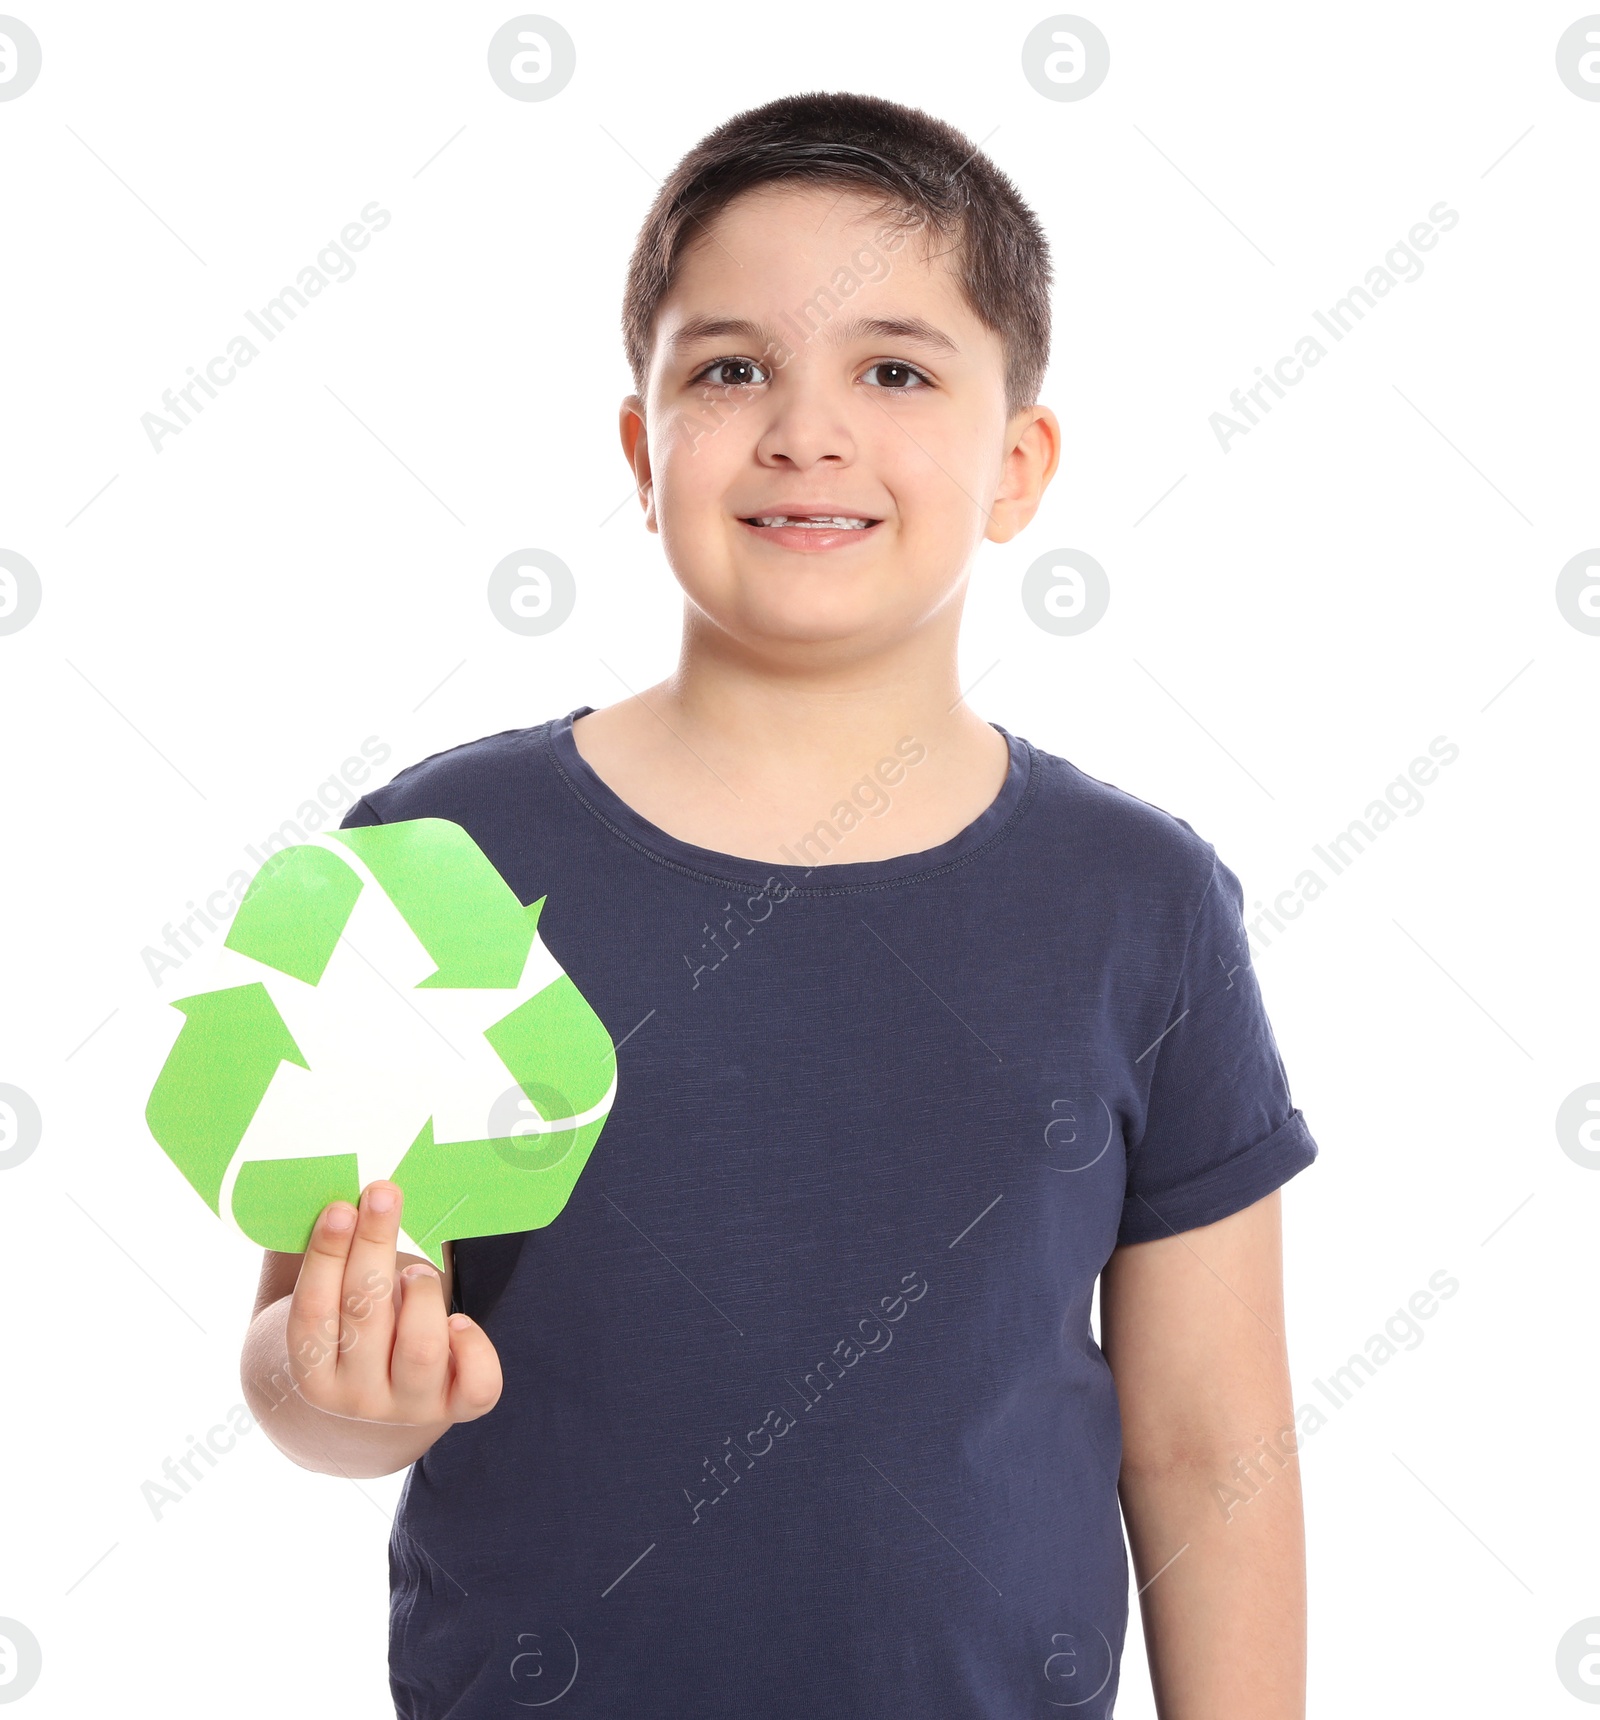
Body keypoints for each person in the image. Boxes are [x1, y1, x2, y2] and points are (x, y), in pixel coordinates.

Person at [241, 90, 1318, 1718]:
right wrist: (355, 1401)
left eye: (893, 369)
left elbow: (1208, 1445)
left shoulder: (1140, 899)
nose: (805, 429)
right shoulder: (433, 852)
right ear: (641, 448)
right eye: (731, 369)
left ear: (1018, 462)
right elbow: (296, 1368)